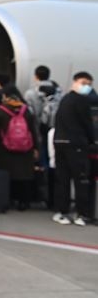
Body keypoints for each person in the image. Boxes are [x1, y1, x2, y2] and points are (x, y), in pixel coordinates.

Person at [51, 72, 96, 226]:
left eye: (89, 84)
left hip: (60, 142)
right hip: (76, 144)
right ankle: (82, 214)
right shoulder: (82, 101)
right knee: (81, 179)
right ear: (75, 82)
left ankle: (61, 212)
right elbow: (87, 123)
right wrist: (92, 140)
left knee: (62, 179)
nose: (86, 87)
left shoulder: (64, 99)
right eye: (84, 83)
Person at [0, 84, 40, 211]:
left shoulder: (0, 110)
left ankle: (8, 200)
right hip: (26, 148)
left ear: (5, 96)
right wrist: (36, 147)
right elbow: (33, 130)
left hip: (5, 148)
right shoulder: (26, 110)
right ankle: (24, 202)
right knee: (24, 176)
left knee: (7, 175)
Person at [24, 65, 62, 204]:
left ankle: (40, 194)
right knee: (54, 162)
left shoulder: (30, 93)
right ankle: (54, 195)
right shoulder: (58, 92)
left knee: (40, 162)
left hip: (38, 131)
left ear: (36, 76)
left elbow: (30, 115)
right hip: (54, 131)